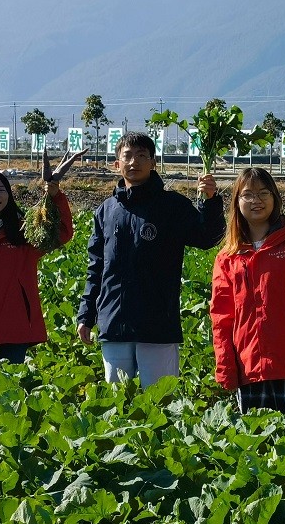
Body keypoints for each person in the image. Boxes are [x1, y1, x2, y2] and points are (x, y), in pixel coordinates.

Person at [76, 132, 225, 387]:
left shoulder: (172, 205)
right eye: (128, 156)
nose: (134, 162)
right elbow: (96, 268)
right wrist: (86, 314)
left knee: (161, 401)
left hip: (157, 324)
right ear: (116, 164)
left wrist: (210, 203)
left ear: (154, 163)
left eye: (142, 156)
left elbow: (206, 237)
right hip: (114, 323)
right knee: (118, 402)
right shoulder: (106, 210)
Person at [210, 168, 285, 413]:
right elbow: (222, 318)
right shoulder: (228, 256)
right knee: (254, 445)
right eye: (248, 195)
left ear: (275, 198)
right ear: (237, 202)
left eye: (263, 193)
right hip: (250, 366)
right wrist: (226, 365)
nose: (256, 200)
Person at [0, 150, 85, 363]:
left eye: (2, 190)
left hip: (12, 329)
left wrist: (55, 197)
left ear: (9, 196)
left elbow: (62, 233)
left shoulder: (23, 234)